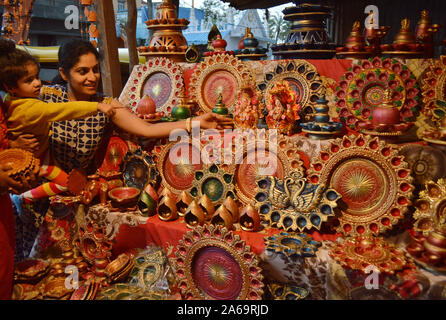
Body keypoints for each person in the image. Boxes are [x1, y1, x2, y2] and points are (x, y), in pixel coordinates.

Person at [0, 38, 119, 215]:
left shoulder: (12, 100)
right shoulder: (33, 106)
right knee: (66, 183)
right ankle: (23, 198)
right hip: (37, 163)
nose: (37, 83)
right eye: (29, 80)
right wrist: (97, 107)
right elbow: (63, 110)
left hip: (42, 158)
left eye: (37, 77)